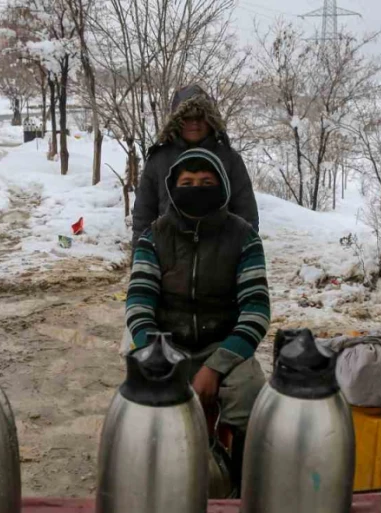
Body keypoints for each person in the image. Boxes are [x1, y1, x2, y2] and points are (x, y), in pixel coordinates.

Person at [125, 147, 270, 491]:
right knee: (138, 406)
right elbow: (138, 305)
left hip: (223, 347)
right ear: (172, 189)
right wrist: (160, 359)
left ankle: (239, 484)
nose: (196, 188)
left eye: (206, 181)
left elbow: (256, 310)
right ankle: (147, 481)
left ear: (222, 186)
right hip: (165, 348)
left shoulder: (244, 237)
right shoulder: (153, 237)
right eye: (187, 182)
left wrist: (216, 367)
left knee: (251, 396)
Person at [132, 85, 259, 246]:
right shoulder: (159, 159)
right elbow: (143, 214)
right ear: (177, 121)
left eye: (200, 117)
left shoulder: (229, 158)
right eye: (187, 118)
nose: (195, 124)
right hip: (169, 253)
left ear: (210, 120)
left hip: (220, 253)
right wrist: (140, 258)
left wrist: (247, 253)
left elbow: (246, 212)